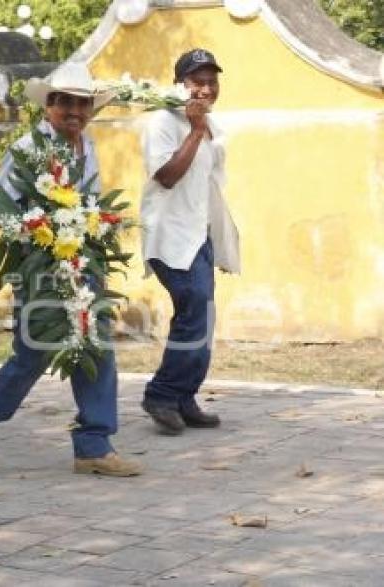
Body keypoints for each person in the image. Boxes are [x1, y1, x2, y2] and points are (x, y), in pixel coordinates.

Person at [0, 63, 142, 478]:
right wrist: (41, 232)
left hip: (81, 263)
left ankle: (94, 444)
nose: (74, 110)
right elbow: (3, 209)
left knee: (94, 343)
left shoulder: (87, 146)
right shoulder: (27, 148)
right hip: (39, 265)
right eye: (65, 102)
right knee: (35, 351)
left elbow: (88, 205)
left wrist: (93, 242)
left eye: (81, 103)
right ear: (49, 105)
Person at [139, 49, 240, 435]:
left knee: (200, 316)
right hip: (170, 235)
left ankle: (182, 398)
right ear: (179, 84)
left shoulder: (216, 126)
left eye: (212, 81)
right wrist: (195, 132)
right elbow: (166, 176)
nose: (206, 88)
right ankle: (162, 394)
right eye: (197, 81)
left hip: (200, 234)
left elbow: (209, 185)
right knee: (194, 309)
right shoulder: (162, 123)